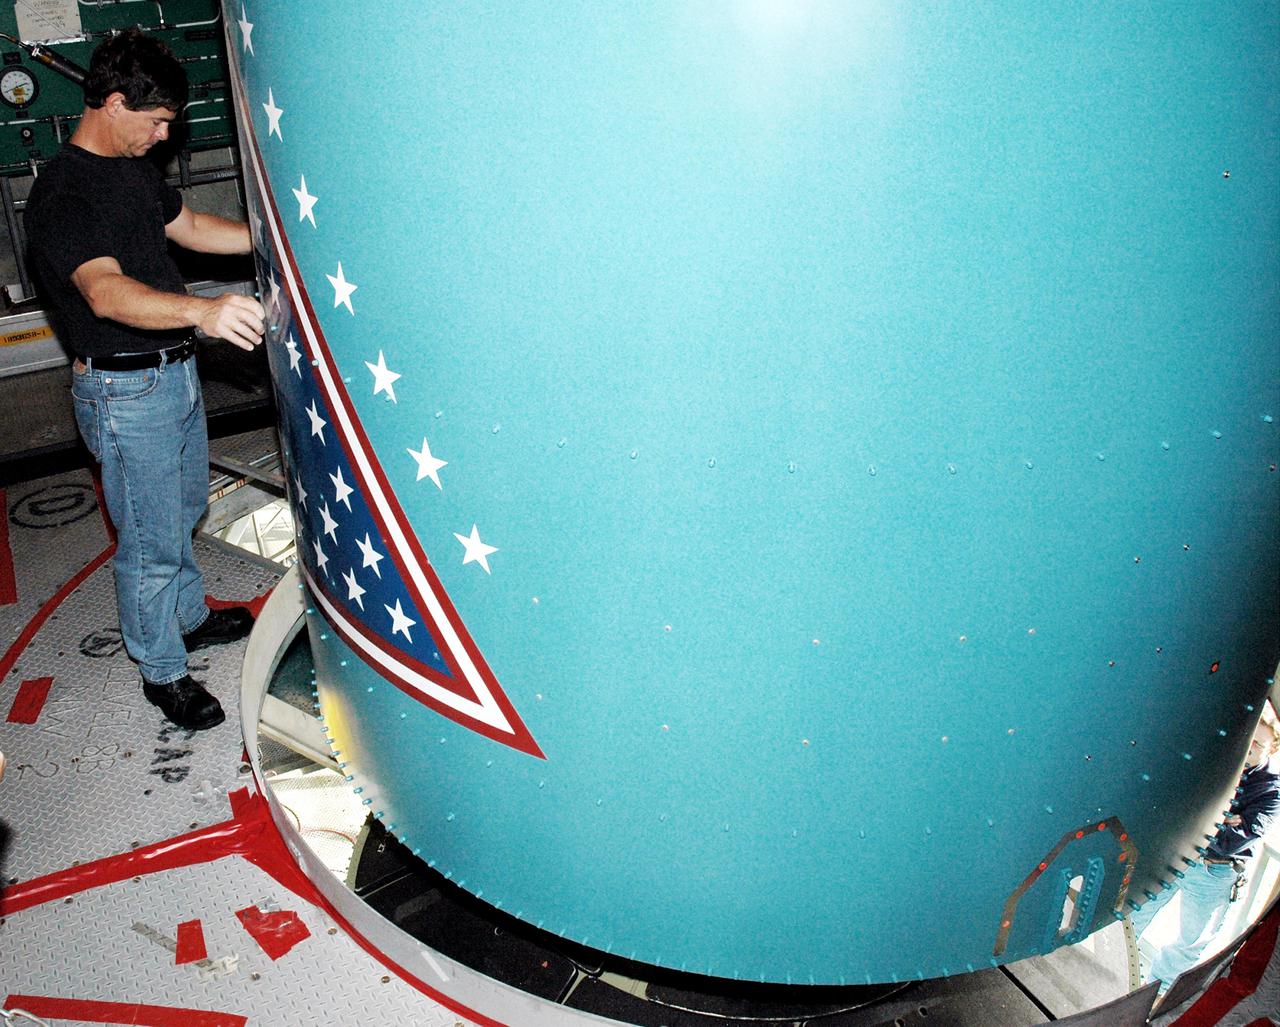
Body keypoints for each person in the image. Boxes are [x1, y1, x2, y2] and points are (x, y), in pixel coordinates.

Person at [24, 30, 266, 731]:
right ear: (115, 103)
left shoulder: (131, 167)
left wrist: (269, 233)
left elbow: (188, 226)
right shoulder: (64, 194)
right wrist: (205, 311)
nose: (164, 137)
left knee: (181, 509)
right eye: (156, 121)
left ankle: (187, 620)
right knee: (151, 541)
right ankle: (163, 670)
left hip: (172, 375)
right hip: (125, 392)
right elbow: (104, 292)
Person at [1129, 712, 1280, 993]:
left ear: (1272, 749)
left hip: (1216, 871)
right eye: (1250, 740)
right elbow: (1184, 803)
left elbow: (1234, 841)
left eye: (1259, 745)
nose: (1249, 749)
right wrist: (1223, 820)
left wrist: (1207, 822)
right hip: (1179, 855)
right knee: (1134, 915)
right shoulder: (1221, 757)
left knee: (1190, 942)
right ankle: (1118, 975)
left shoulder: (1271, 790)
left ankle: (1154, 996)